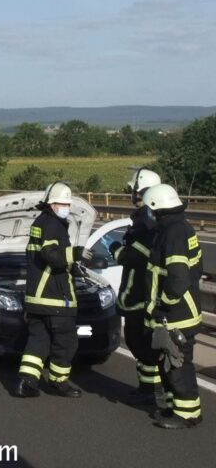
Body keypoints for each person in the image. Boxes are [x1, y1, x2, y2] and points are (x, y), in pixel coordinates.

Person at [14, 182, 91, 399]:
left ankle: (26, 383)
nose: (66, 207)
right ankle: (58, 382)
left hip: (37, 298)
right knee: (66, 342)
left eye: (68, 204)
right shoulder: (53, 225)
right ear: (52, 204)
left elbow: (47, 258)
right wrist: (75, 254)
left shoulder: (41, 222)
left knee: (38, 341)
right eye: (63, 203)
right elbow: (51, 255)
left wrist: (73, 267)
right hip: (54, 298)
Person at [142, 184, 203, 429]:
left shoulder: (174, 232)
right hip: (176, 314)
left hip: (177, 314)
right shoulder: (176, 228)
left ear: (157, 208)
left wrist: (162, 305)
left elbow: (178, 279)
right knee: (168, 362)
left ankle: (188, 414)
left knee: (178, 364)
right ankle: (174, 407)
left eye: (149, 209)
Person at [108, 168, 162, 405]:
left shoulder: (145, 222)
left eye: (133, 190)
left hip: (139, 294)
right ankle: (147, 387)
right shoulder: (150, 219)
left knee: (139, 341)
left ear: (141, 192)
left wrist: (115, 250)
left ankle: (151, 389)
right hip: (142, 293)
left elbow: (135, 257)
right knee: (141, 343)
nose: (131, 194)